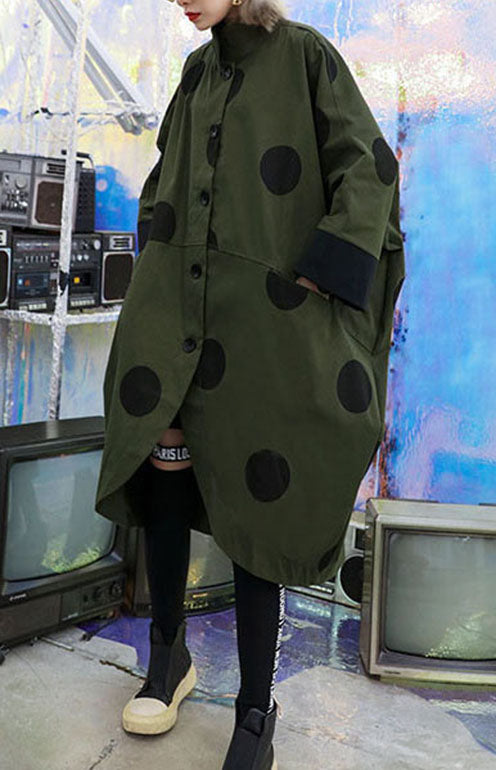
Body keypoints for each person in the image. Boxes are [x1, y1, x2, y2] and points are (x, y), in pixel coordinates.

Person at [94, 0, 406, 767]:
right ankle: (167, 658)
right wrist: (154, 275)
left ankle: (255, 711)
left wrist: (318, 278)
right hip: (178, 309)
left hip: (265, 325)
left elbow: (370, 168)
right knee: (165, 473)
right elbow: (167, 179)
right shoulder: (196, 71)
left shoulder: (305, 56)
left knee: (258, 497)